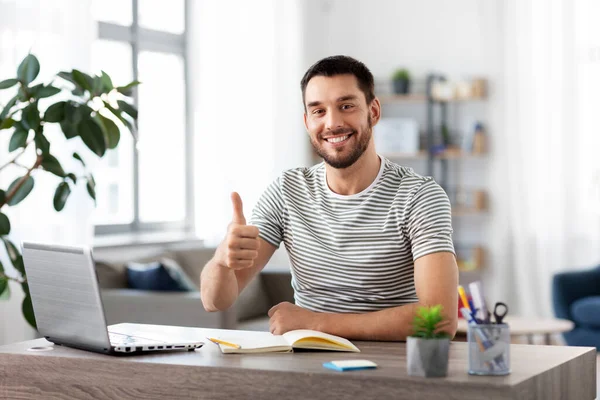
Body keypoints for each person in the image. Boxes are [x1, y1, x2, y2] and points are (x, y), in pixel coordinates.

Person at [200, 55, 458, 341]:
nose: (332, 123)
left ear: (373, 111)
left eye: (346, 106)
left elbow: (440, 320)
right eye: (318, 111)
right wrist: (222, 261)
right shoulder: (287, 192)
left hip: (391, 369)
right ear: (307, 121)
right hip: (305, 366)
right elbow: (215, 302)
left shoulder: (420, 196)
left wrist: (316, 323)